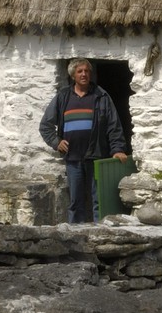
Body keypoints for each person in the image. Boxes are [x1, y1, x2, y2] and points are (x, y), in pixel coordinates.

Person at [38, 58, 130, 223]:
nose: (84, 74)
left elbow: (113, 125)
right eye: (80, 71)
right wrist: (56, 142)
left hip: (96, 156)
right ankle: (75, 236)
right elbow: (45, 126)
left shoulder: (101, 96)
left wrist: (117, 149)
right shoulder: (63, 97)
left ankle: (100, 233)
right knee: (76, 201)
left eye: (87, 71)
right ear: (73, 75)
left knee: (99, 199)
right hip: (73, 157)